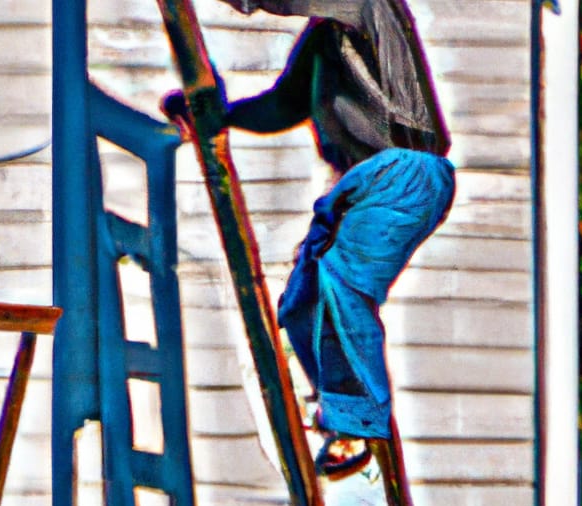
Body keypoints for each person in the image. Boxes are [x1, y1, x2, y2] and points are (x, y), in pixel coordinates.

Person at [162, 0, 454, 477]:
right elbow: (281, 105)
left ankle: (356, 422)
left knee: (342, 281)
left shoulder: (370, 7)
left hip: (405, 169)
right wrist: (220, 115)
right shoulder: (324, 40)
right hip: (355, 183)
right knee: (302, 299)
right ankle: (340, 412)